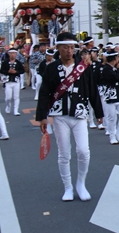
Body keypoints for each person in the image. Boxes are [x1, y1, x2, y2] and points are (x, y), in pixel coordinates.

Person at [36, 32, 104, 202]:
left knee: (83, 151)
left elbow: (92, 89)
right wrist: (42, 116)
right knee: (64, 154)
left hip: (80, 114)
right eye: (65, 47)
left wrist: (99, 113)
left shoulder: (83, 67)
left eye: (72, 47)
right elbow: (44, 92)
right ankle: (68, 187)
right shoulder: (51, 68)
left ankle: (81, 183)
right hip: (59, 116)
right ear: (58, 48)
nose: (69, 51)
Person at [101, 50, 119, 145]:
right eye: (117, 57)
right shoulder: (106, 69)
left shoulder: (116, 68)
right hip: (110, 96)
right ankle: (112, 136)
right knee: (111, 118)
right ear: (115, 58)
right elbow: (116, 77)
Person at [0, 48, 25, 116]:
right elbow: (1, 70)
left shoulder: (18, 63)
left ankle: (16, 110)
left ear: (16, 54)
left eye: (14, 53)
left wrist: (16, 72)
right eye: (11, 53)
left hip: (16, 81)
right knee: (8, 97)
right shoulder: (5, 62)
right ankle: (8, 106)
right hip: (8, 81)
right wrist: (8, 71)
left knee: (16, 96)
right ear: (8, 54)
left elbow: (22, 71)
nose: (12, 55)